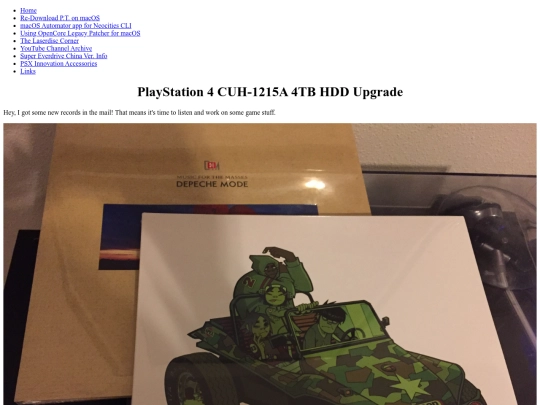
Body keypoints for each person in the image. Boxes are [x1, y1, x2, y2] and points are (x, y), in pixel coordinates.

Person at [233, 247, 313, 319]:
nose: (270, 270)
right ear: (260, 268)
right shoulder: (255, 277)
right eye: (266, 268)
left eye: (273, 266)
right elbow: (289, 290)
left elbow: (305, 287)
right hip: (258, 320)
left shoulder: (276, 277)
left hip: (276, 315)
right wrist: (284, 273)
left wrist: (290, 258)